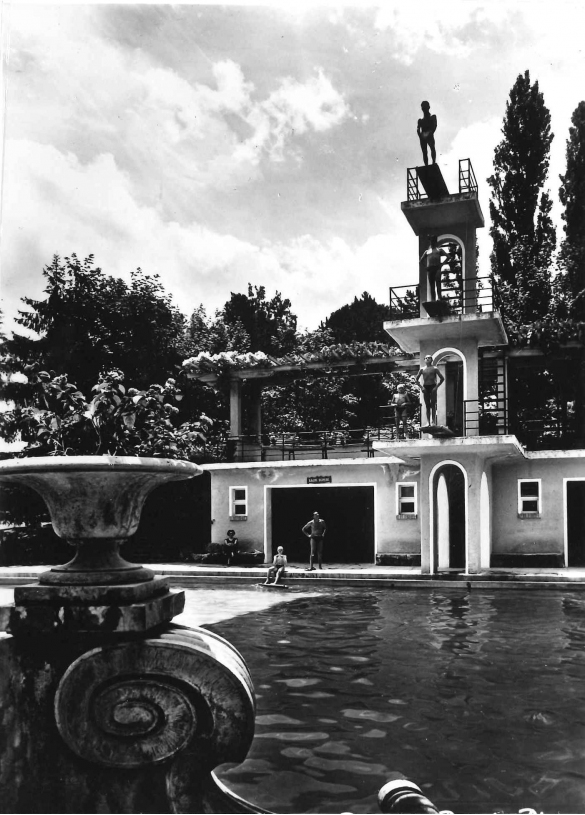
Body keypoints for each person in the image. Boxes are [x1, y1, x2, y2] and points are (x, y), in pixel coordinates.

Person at [416, 355, 445, 426]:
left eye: (429, 358)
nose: (427, 359)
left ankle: (433, 422)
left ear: (431, 360)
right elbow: (416, 380)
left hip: (433, 386)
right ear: (424, 360)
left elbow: (442, 378)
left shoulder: (435, 368)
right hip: (425, 387)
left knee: (433, 405)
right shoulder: (422, 369)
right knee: (427, 405)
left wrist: (436, 387)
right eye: (426, 358)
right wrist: (421, 387)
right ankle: (428, 422)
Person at [420, 236, 444, 301]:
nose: (432, 242)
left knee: (438, 283)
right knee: (432, 285)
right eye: (431, 241)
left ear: (435, 242)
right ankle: (433, 299)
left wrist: (442, 264)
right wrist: (426, 267)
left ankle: (439, 297)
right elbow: (421, 260)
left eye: (433, 241)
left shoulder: (439, 250)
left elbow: (448, 256)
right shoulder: (427, 251)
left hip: (437, 267)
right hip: (430, 268)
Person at [417, 100, 437, 166]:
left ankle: (433, 162)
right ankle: (426, 165)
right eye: (423, 107)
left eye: (425, 107)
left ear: (428, 107)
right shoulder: (420, 121)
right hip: (423, 136)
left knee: (432, 148)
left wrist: (431, 132)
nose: (424, 108)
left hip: (429, 134)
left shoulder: (433, 117)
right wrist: (420, 136)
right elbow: (418, 129)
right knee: (424, 152)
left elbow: (434, 126)